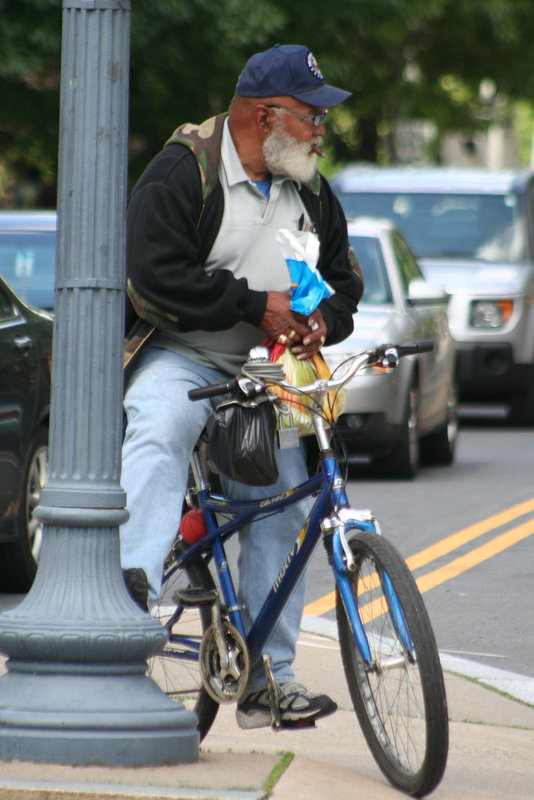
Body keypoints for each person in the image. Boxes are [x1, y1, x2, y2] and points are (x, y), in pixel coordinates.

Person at [120, 44, 364, 730]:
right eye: (312, 116)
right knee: (162, 427)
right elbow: (153, 276)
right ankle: (122, 618)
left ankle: (268, 678)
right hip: (184, 352)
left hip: (267, 369)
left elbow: (345, 282)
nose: (321, 129)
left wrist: (320, 321)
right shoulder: (183, 171)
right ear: (267, 115)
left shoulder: (308, 185)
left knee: (285, 498)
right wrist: (254, 305)